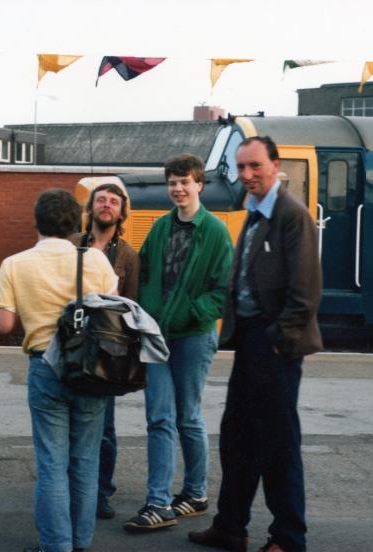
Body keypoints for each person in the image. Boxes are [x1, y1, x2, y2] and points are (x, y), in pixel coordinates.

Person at [188, 136, 322, 552]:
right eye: (241, 167)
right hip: (250, 340)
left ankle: (288, 538)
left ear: (275, 165)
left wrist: (278, 341)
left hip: (274, 344)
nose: (247, 175)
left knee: (278, 443)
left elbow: (305, 292)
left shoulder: (291, 215)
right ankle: (230, 527)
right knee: (238, 437)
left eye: (255, 166)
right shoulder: (255, 211)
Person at [0, 189, 118, 552]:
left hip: (45, 365)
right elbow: (110, 311)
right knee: (85, 461)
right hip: (93, 370)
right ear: (76, 222)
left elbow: (2, 324)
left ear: (37, 221)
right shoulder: (96, 261)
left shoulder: (15, 264)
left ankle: (55, 545)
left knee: (52, 463)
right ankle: (80, 543)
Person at [125, 153, 232, 532]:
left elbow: (223, 291)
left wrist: (188, 313)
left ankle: (195, 493)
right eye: (172, 182)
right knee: (159, 417)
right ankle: (158, 501)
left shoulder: (216, 231)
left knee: (187, 416)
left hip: (193, 336)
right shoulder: (159, 228)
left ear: (199, 185)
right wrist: (143, 314)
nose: (177, 188)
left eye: (184, 182)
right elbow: (146, 271)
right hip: (156, 337)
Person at [68, 183, 139, 520]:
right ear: (90, 208)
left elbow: (133, 307)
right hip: (70, 345)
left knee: (105, 427)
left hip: (106, 352)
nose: (106, 205)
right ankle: (71, 488)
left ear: (121, 212)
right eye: (101, 200)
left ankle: (100, 491)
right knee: (69, 422)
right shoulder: (69, 245)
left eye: (113, 201)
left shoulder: (127, 255)